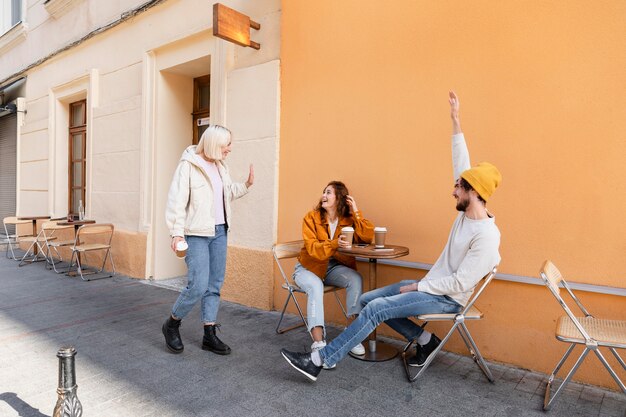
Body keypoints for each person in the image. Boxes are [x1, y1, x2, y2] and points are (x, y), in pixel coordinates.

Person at [280, 91, 502, 381]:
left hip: (447, 298)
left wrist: (420, 286)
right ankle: (426, 342)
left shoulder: (486, 237)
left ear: (473, 192)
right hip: (431, 286)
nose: (453, 190)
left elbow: (461, 282)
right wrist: (455, 120)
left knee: (377, 308)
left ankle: (320, 359)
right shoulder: (466, 212)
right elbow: (461, 162)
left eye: (458, 187)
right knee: (366, 299)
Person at [162, 125, 254, 355]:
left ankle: (209, 333)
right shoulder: (189, 166)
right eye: (227, 145)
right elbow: (176, 202)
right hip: (196, 234)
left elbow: (226, 193)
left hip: (220, 231)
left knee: (215, 285)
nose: (229, 149)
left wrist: (246, 185)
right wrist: (176, 233)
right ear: (214, 143)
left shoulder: (220, 166)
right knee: (198, 285)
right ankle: (172, 323)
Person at [294, 181, 375, 366]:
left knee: (355, 279)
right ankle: (319, 344)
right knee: (315, 286)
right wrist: (335, 243)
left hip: (331, 267)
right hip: (308, 268)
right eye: (324, 191)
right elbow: (313, 249)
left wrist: (355, 211)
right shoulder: (311, 217)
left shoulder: (347, 220)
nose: (324, 195)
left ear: (339, 198)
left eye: (328, 192)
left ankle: (352, 335)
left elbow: (367, 236)